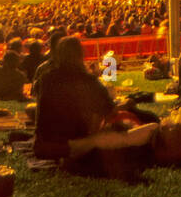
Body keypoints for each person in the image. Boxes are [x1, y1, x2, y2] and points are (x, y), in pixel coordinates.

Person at [33, 37, 156, 165]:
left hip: (41, 147)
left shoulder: (46, 78)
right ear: (80, 55)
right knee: (151, 128)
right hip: (72, 145)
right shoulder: (88, 80)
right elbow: (109, 113)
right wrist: (124, 106)